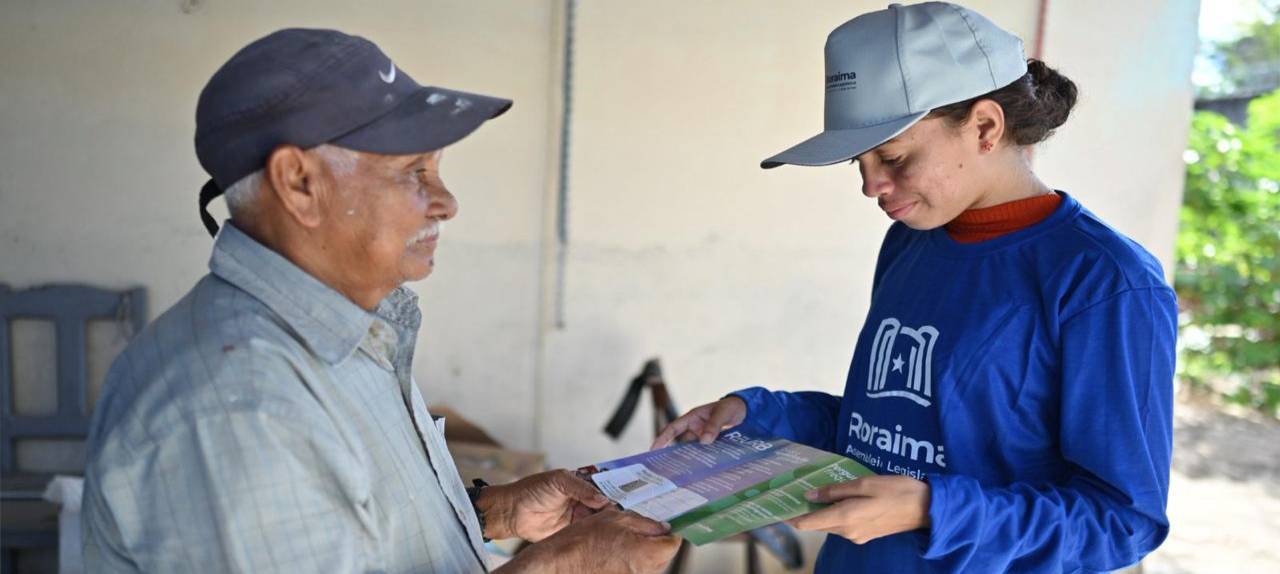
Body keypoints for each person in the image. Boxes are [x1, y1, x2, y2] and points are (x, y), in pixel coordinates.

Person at [81, 28, 679, 573]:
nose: (446, 202)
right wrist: (566, 565)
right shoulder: (240, 405)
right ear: (299, 183)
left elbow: (356, 531)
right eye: (414, 172)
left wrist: (494, 513)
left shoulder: (340, 331)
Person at [653, 2, 1177, 572]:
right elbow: (884, 425)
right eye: (860, 160)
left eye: (894, 156)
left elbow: (1122, 521)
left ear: (984, 127)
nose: (870, 184)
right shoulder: (914, 241)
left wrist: (935, 509)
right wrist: (753, 414)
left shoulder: (1105, 283)